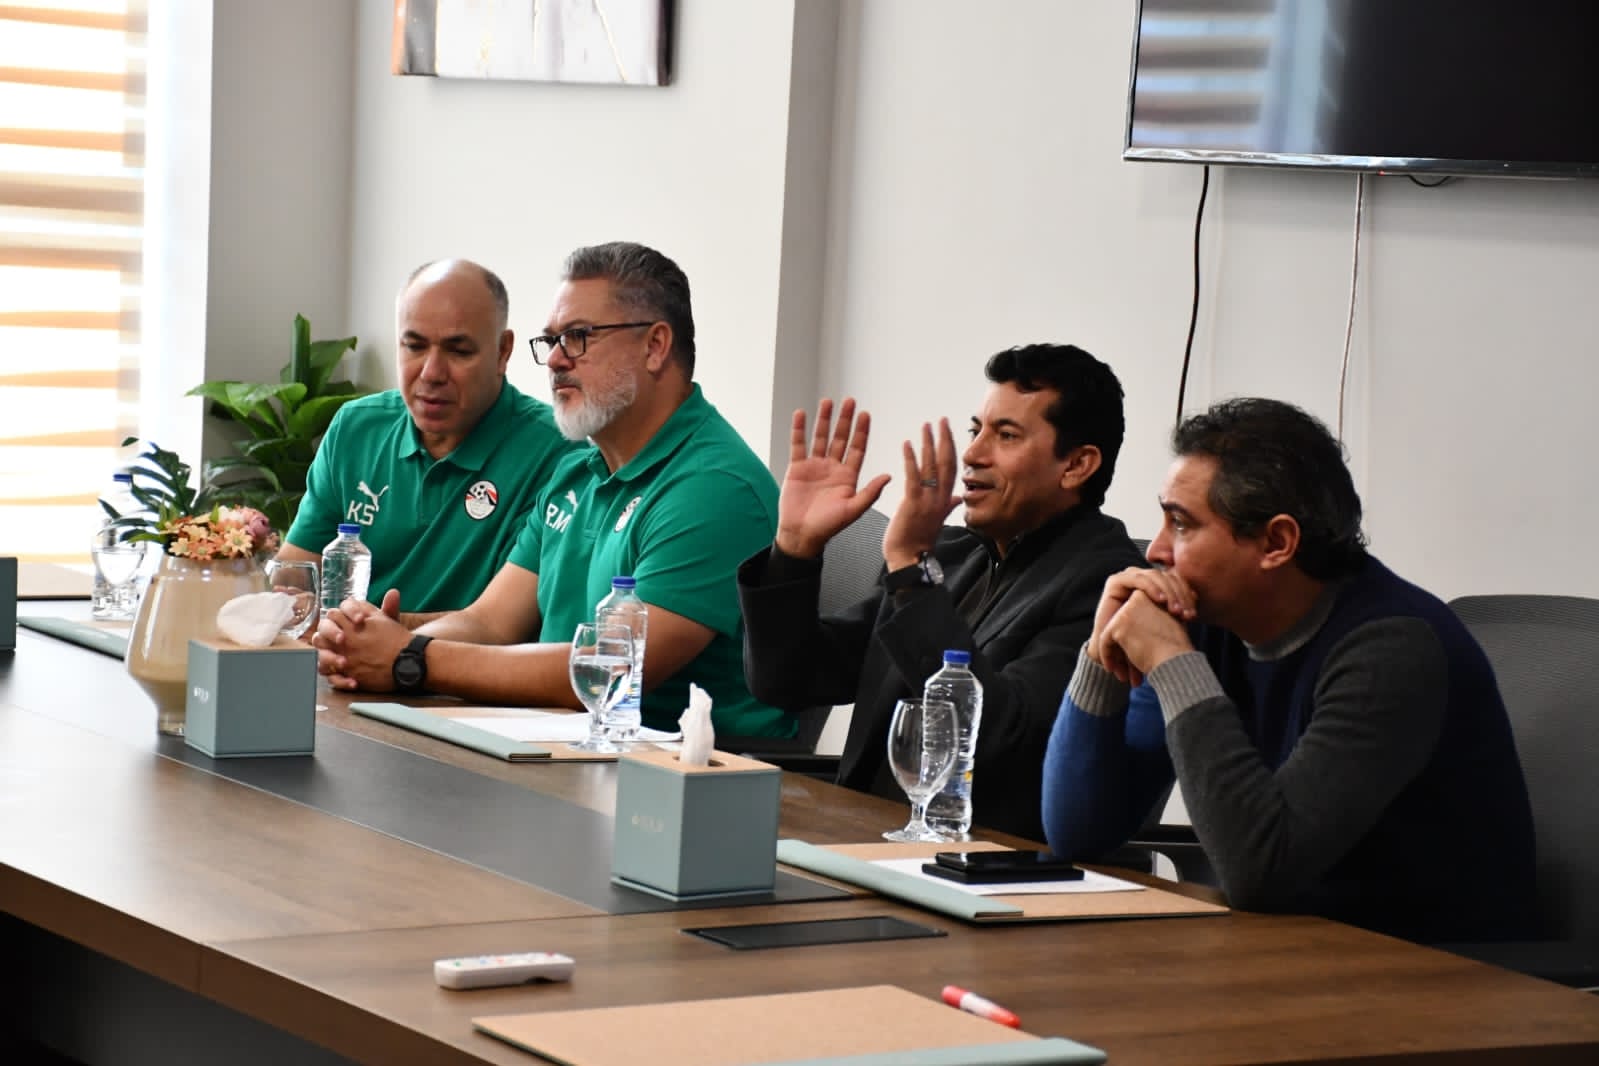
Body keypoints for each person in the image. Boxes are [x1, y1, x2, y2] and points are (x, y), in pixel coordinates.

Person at [1041, 397, 1537, 942]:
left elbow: (1263, 871)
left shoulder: (1391, 650)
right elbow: (1078, 832)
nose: (1155, 550)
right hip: (1292, 945)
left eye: (1181, 524)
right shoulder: (1205, 623)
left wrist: (1172, 663)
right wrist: (1099, 656)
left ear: (1276, 543)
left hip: (1435, 966)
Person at [315, 241, 792, 738]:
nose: (556, 360)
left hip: (672, 772)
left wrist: (410, 658)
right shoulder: (576, 472)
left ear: (655, 346)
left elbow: (612, 672)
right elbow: (490, 623)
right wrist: (375, 643)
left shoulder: (714, 489)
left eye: (579, 337)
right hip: (556, 748)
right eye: (552, 340)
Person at [738, 344, 1145, 841]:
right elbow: (787, 682)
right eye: (976, 431)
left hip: (982, 865)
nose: (974, 453)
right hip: (861, 839)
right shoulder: (951, 554)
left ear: (1077, 465)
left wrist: (910, 573)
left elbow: (1000, 741)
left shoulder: (1108, 586)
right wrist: (794, 549)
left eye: (1006, 435)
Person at [278, 259, 576, 618]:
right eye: (414, 347)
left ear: (502, 352)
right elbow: (294, 575)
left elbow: (503, 623)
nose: (432, 373)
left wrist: (380, 635)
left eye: (458, 351)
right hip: (340, 647)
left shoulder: (556, 453)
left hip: (456, 656)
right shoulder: (356, 428)